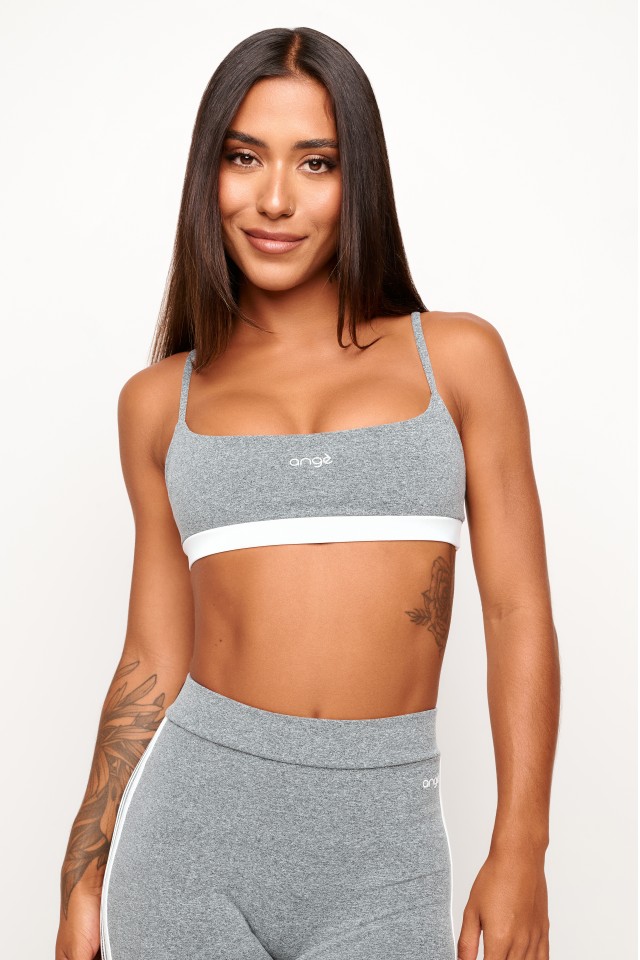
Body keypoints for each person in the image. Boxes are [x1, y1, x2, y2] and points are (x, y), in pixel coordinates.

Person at [55, 25, 559, 960]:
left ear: (357, 179)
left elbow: (517, 611)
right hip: (185, 849)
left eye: (316, 162)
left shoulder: (458, 360)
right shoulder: (159, 402)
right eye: (244, 157)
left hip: (386, 859)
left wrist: (522, 848)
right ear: (208, 174)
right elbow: (152, 655)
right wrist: (81, 872)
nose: (276, 198)